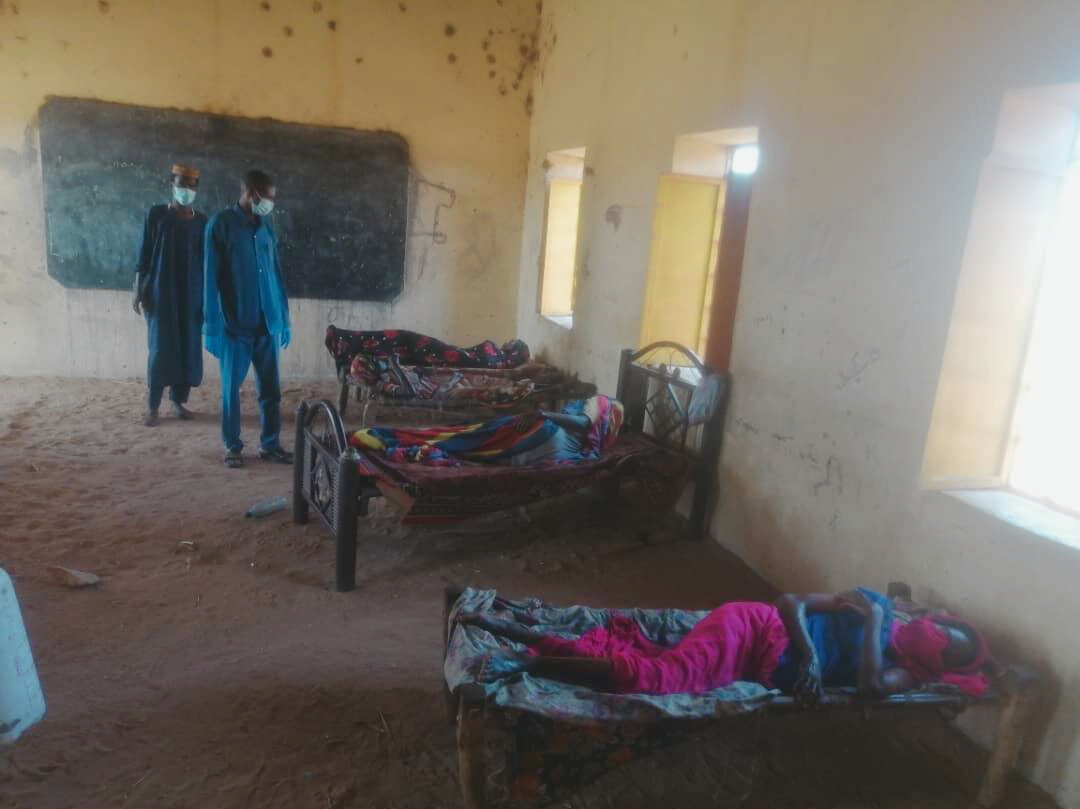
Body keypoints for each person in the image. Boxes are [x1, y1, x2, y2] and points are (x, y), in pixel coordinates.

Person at [458, 588, 992, 702]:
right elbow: (790, 601)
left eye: (945, 646)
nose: (934, 635)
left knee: (648, 662)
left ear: (938, 661)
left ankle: (521, 635)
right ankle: (521, 658)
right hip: (753, 628)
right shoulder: (872, 606)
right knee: (658, 678)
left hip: (751, 662)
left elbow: (872, 688)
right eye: (943, 629)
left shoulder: (908, 672)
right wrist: (810, 654)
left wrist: (876, 626)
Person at [203, 170, 292, 468]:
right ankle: (233, 446)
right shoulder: (221, 225)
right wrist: (211, 327)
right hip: (235, 327)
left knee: (271, 391)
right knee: (231, 390)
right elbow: (209, 278)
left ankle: (270, 444)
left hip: (268, 324)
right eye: (268, 198)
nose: (270, 204)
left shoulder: (266, 229)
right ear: (252, 193)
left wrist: (284, 318)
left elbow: (276, 275)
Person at [133, 164, 206, 426]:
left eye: (191, 185)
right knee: (161, 349)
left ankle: (178, 402)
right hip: (160, 292)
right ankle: (153, 406)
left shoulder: (202, 221)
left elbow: (206, 262)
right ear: (172, 184)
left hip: (191, 294)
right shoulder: (157, 215)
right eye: (181, 184)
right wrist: (137, 290)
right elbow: (144, 254)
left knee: (187, 348)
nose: (186, 190)